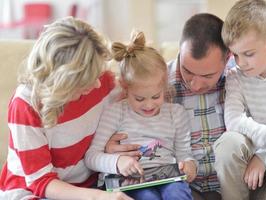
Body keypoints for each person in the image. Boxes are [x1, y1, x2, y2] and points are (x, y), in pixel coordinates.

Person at [0, 17, 133, 200]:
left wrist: (109, 145)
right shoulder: (25, 104)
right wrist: (99, 197)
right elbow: (41, 182)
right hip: (31, 191)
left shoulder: (103, 82)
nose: (96, 84)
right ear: (63, 80)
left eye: (96, 74)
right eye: (85, 80)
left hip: (89, 186)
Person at [105, 14, 234, 199]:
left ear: (227, 57)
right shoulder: (154, 83)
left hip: (229, 186)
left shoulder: (238, 80)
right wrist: (110, 150)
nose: (195, 85)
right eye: (188, 71)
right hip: (183, 187)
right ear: (180, 51)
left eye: (207, 76)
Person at [84, 30, 197, 200]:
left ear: (165, 85)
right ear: (124, 86)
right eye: (139, 98)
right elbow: (91, 157)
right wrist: (117, 162)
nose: (149, 104)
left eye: (156, 96)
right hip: (127, 181)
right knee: (147, 196)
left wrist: (189, 167)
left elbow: (184, 153)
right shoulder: (115, 112)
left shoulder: (176, 113)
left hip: (167, 177)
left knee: (177, 193)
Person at [213, 0, 266, 200]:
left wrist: (264, 155)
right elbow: (234, 121)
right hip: (257, 146)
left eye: (249, 54)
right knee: (228, 144)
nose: (241, 63)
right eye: (235, 54)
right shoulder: (235, 76)